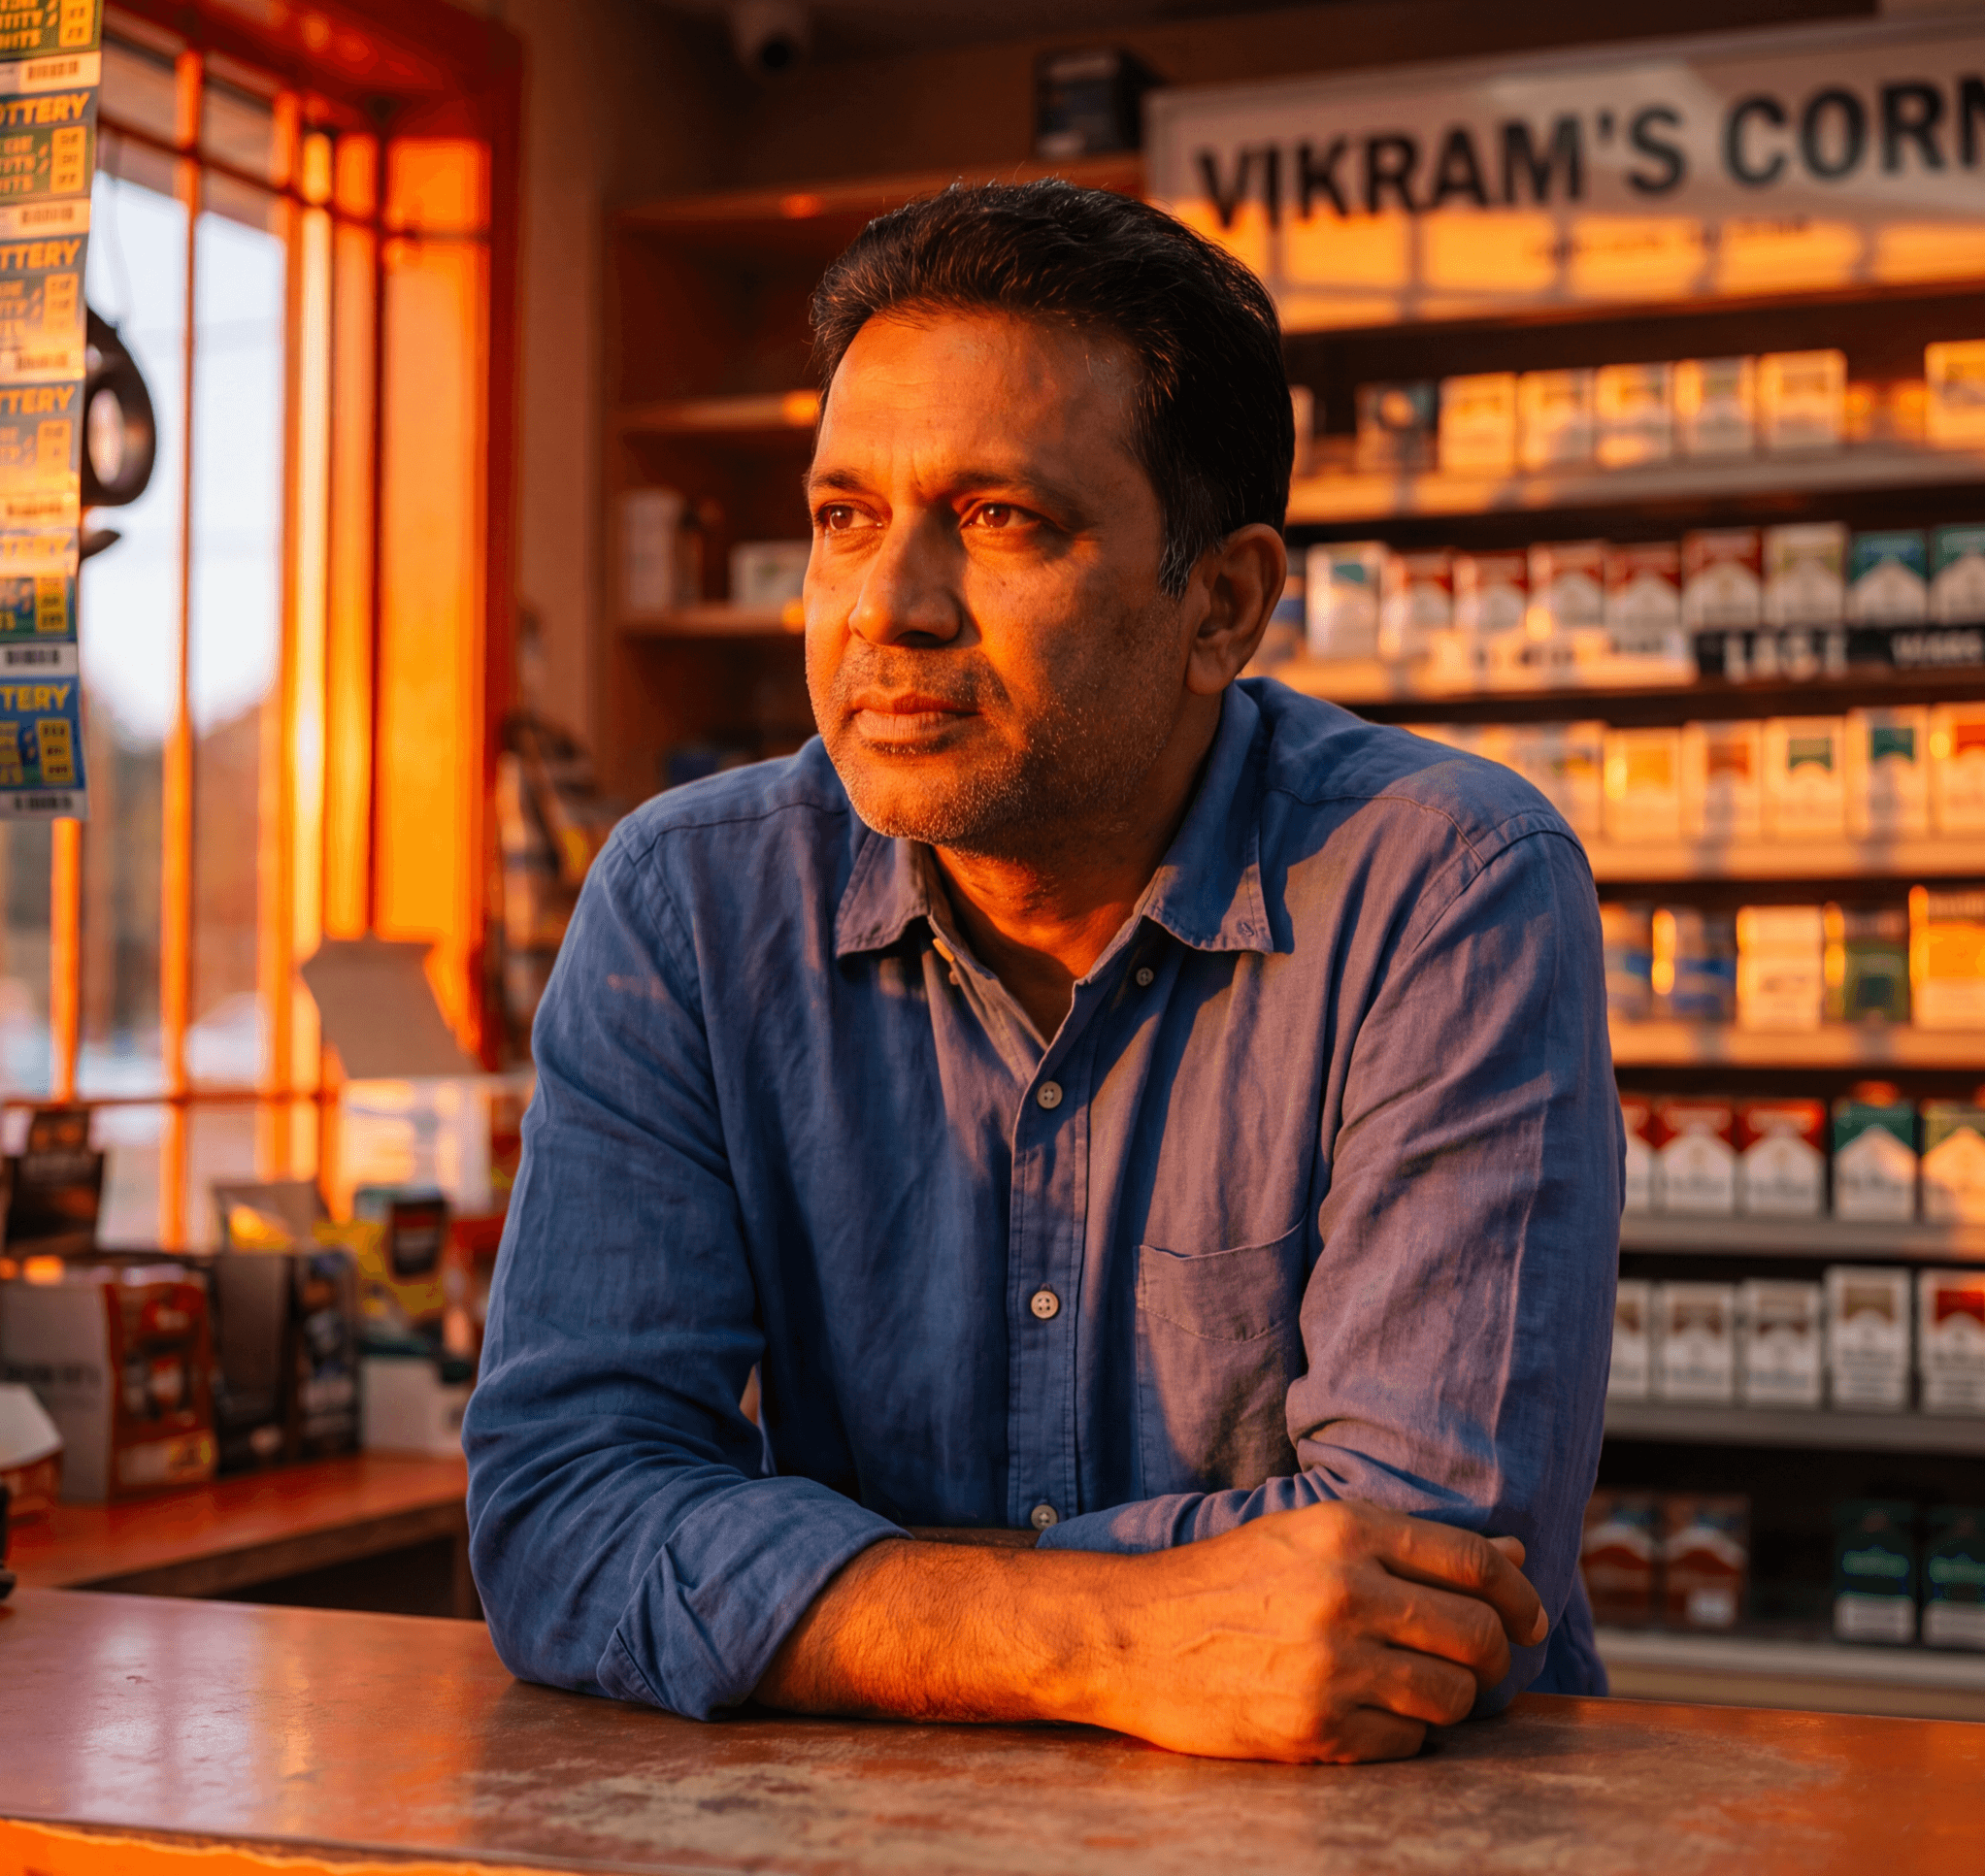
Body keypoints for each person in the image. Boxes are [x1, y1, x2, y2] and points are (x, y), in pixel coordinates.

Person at [465, 180, 1620, 1764]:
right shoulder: (690, 902)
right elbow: (562, 1514)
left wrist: (822, 1592)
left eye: (1002, 519)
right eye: (843, 516)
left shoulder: (1445, 885)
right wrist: (1107, 1637)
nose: (889, 606)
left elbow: (1423, 1583)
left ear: (1222, 605)